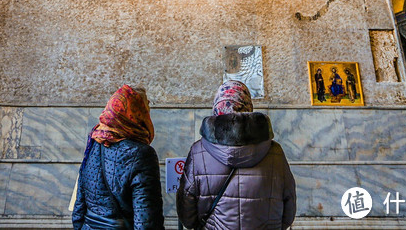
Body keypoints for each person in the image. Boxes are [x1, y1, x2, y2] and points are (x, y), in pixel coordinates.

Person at [177, 80, 296, 229]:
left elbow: (187, 212)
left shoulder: (198, 151)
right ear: (248, 106)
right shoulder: (275, 152)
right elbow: (289, 208)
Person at [72, 85, 164, 229]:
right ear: (136, 113)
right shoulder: (142, 154)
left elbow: (79, 203)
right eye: (146, 106)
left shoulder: (95, 141)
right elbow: (146, 221)